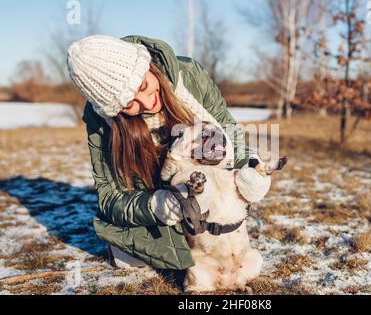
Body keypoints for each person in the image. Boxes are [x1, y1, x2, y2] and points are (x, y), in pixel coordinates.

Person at [66, 35, 271, 270]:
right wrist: (161, 205)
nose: (146, 102)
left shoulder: (189, 75)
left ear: (147, 65)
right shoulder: (100, 121)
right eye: (129, 104)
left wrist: (251, 171)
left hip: (213, 193)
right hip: (156, 204)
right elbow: (110, 199)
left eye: (143, 86)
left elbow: (231, 134)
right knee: (130, 254)